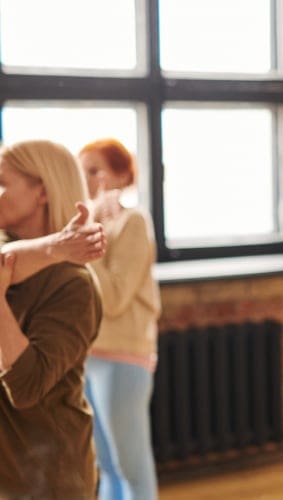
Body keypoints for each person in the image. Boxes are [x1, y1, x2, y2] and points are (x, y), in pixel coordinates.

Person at [0, 139, 104, 497]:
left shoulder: (73, 286)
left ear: (41, 192)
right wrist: (54, 246)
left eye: (3, 182)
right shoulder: (7, 249)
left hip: (50, 479)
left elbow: (27, 387)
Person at [78, 138, 161, 500]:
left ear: (123, 175)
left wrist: (85, 243)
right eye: (83, 173)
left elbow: (113, 300)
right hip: (88, 355)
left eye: (96, 170)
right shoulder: (88, 225)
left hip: (123, 357)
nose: (89, 180)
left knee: (132, 466)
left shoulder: (134, 222)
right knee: (105, 467)